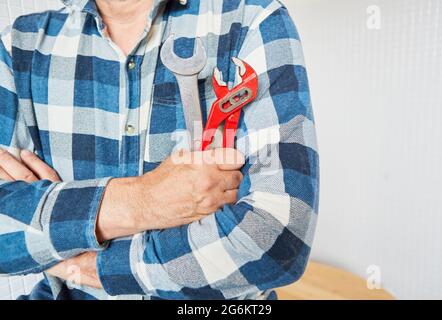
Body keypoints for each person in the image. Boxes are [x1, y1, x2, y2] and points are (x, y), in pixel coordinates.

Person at [0, 0, 319, 300]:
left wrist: (82, 257)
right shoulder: (19, 45)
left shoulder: (252, 19)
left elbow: (276, 241)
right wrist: (144, 199)